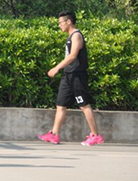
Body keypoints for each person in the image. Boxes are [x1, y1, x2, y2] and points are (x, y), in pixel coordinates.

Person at [38, 11, 104, 146]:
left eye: (60, 23)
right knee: (60, 105)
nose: (59, 25)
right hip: (68, 75)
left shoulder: (76, 36)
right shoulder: (70, 36)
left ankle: (95, 136)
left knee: (84, 105)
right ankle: (54, 134)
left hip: (77, 75)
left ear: (68, 21)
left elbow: (73, 55)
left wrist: (56, 68)